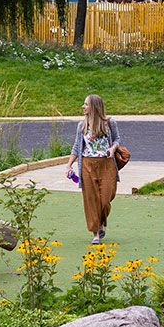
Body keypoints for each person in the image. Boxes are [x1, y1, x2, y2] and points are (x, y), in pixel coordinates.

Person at [65, 94, 121, 245]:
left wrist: (113, 148)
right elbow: (77, 147)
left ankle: (101, 221)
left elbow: (117, 139)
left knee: (106, 198)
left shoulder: (109, 123)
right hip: (87, 165)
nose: (83, 107)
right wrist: (69, 165)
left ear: (94, 107)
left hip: (106, 164)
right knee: (91, 200)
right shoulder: (81, 126)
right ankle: (96, 232)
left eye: (86, 104)